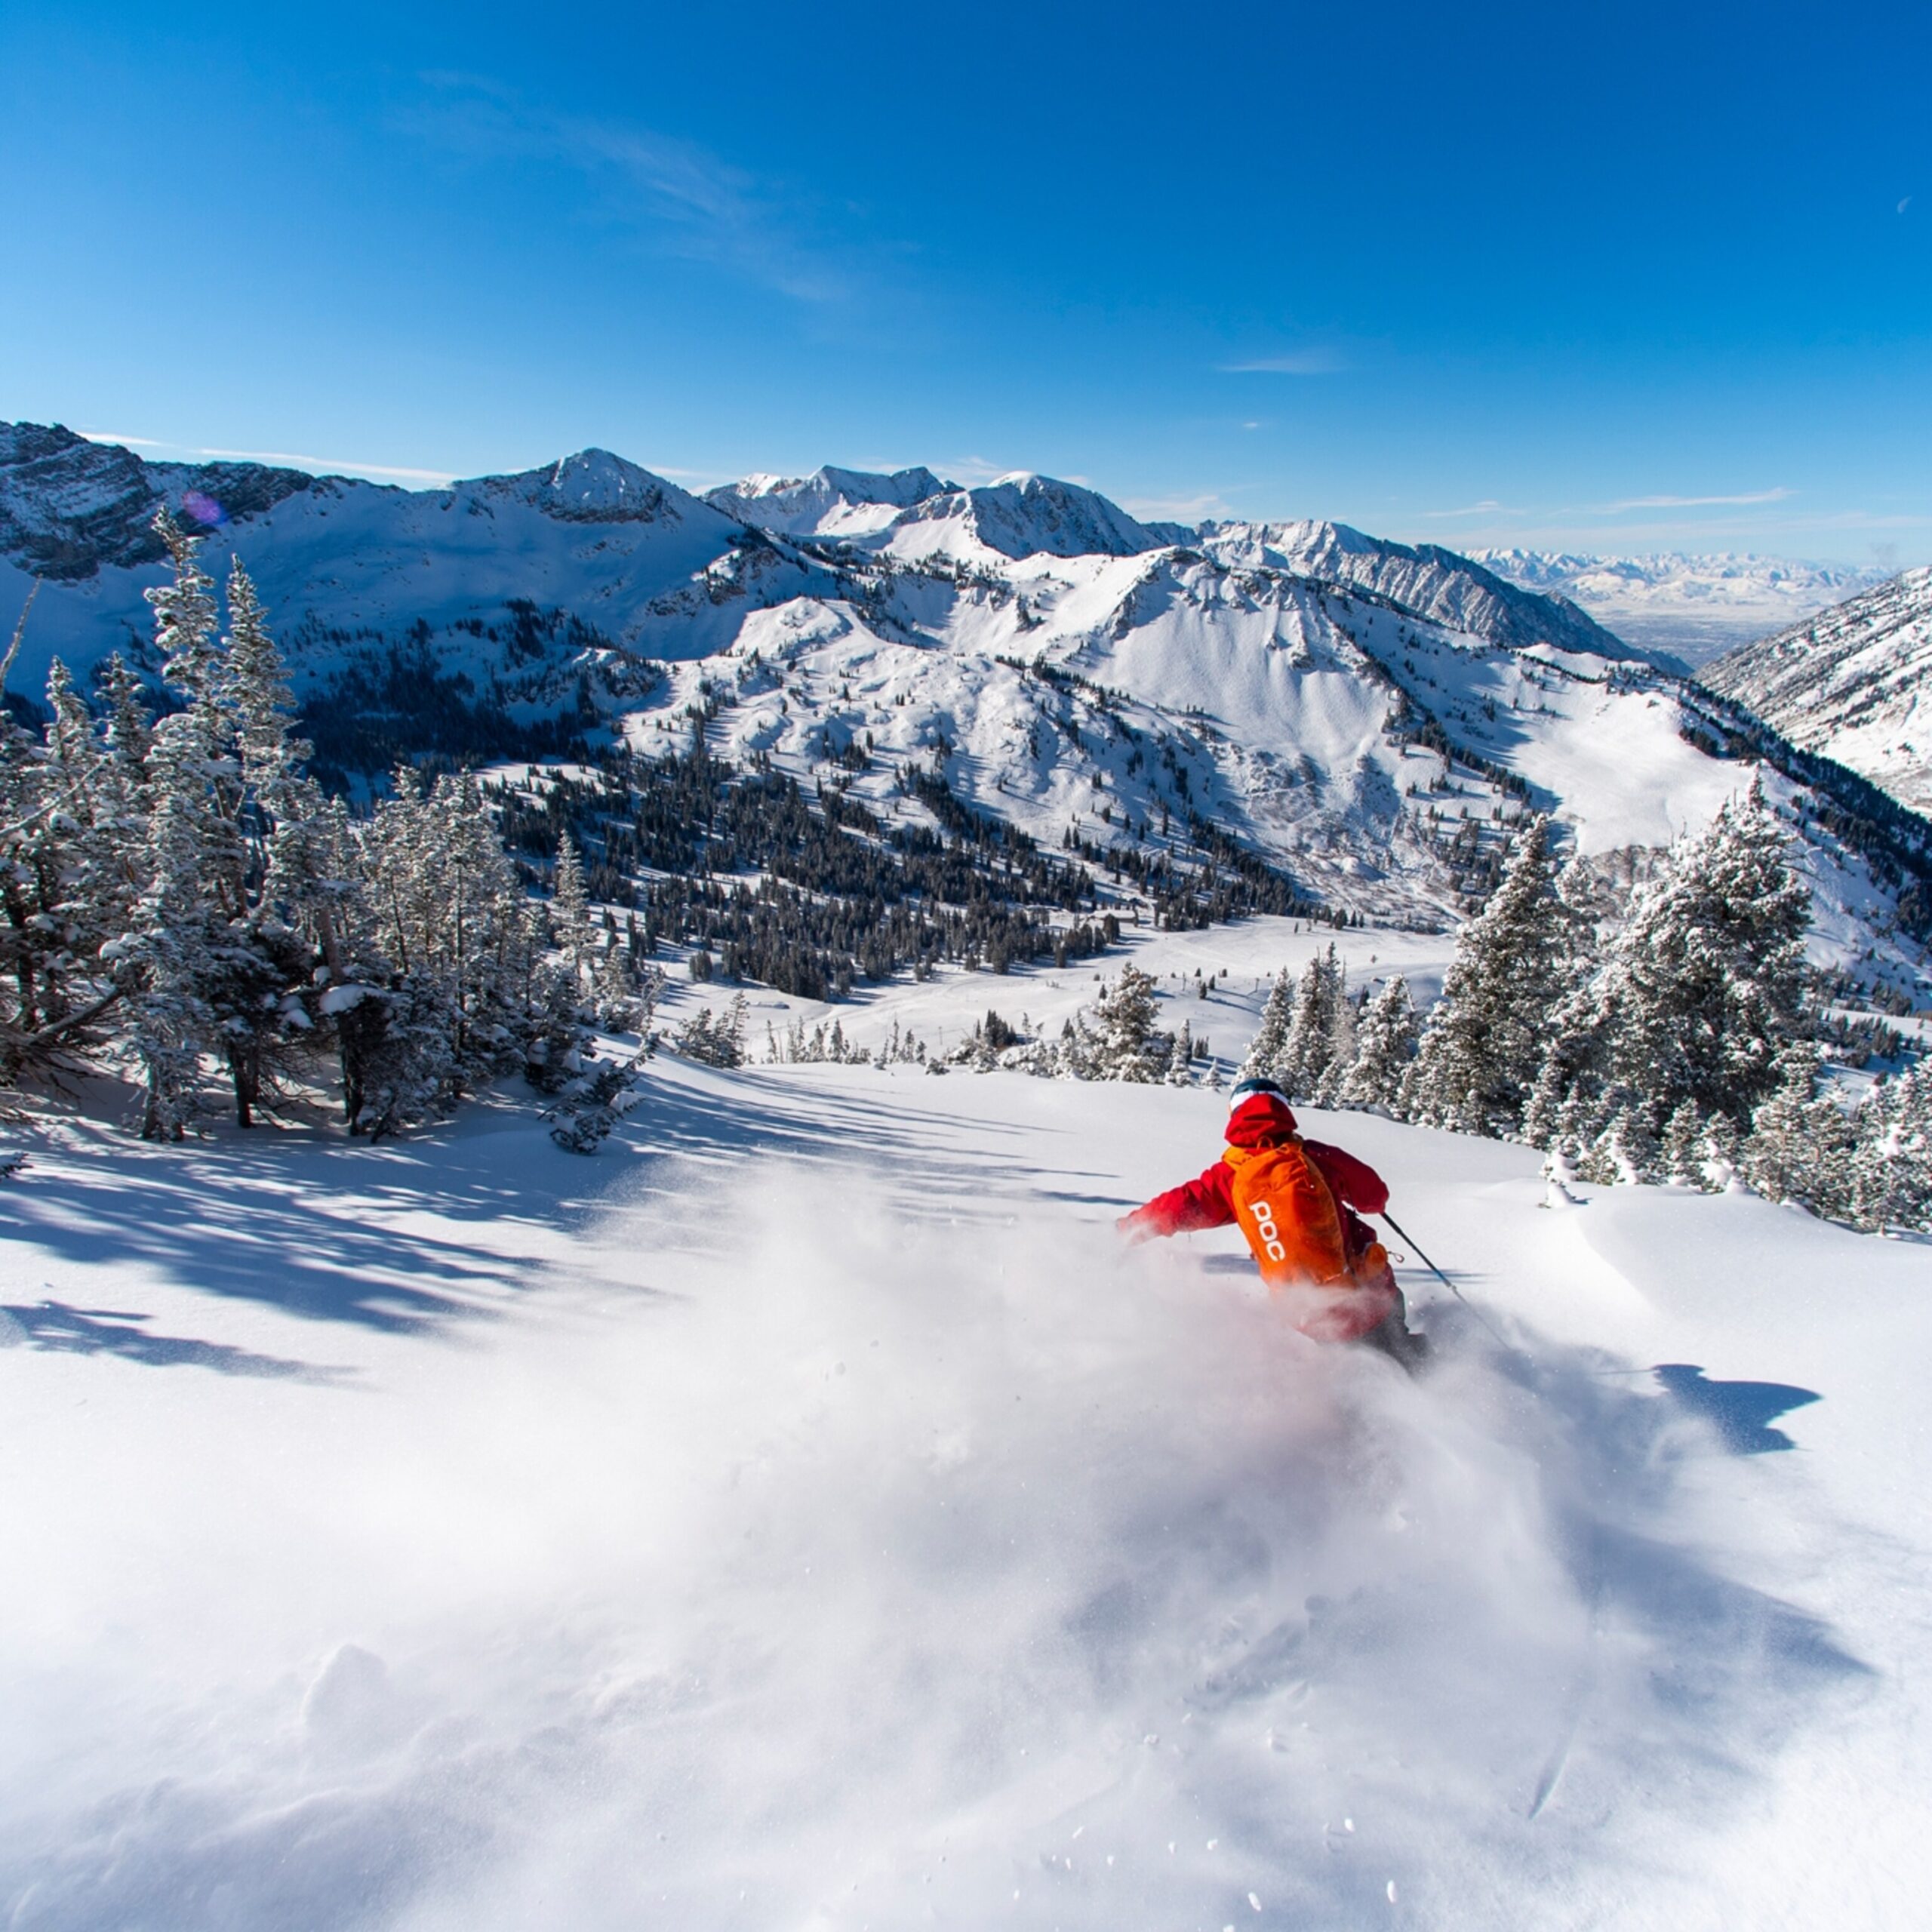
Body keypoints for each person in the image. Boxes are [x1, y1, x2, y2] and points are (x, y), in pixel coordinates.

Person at [1118, 1075, 1429, 1369]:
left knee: (1350, 1366)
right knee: (1399, 1355)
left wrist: (1127, 1229)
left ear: (1234, 1116)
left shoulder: (1229, 1176)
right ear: (1283, 1110)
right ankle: (1437, 1382)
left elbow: (1173, 1209)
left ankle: (1358, 1408)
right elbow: (1375, 1196)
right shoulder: (1316, 1155)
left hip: (1310, 1314)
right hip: (1369, 1295)